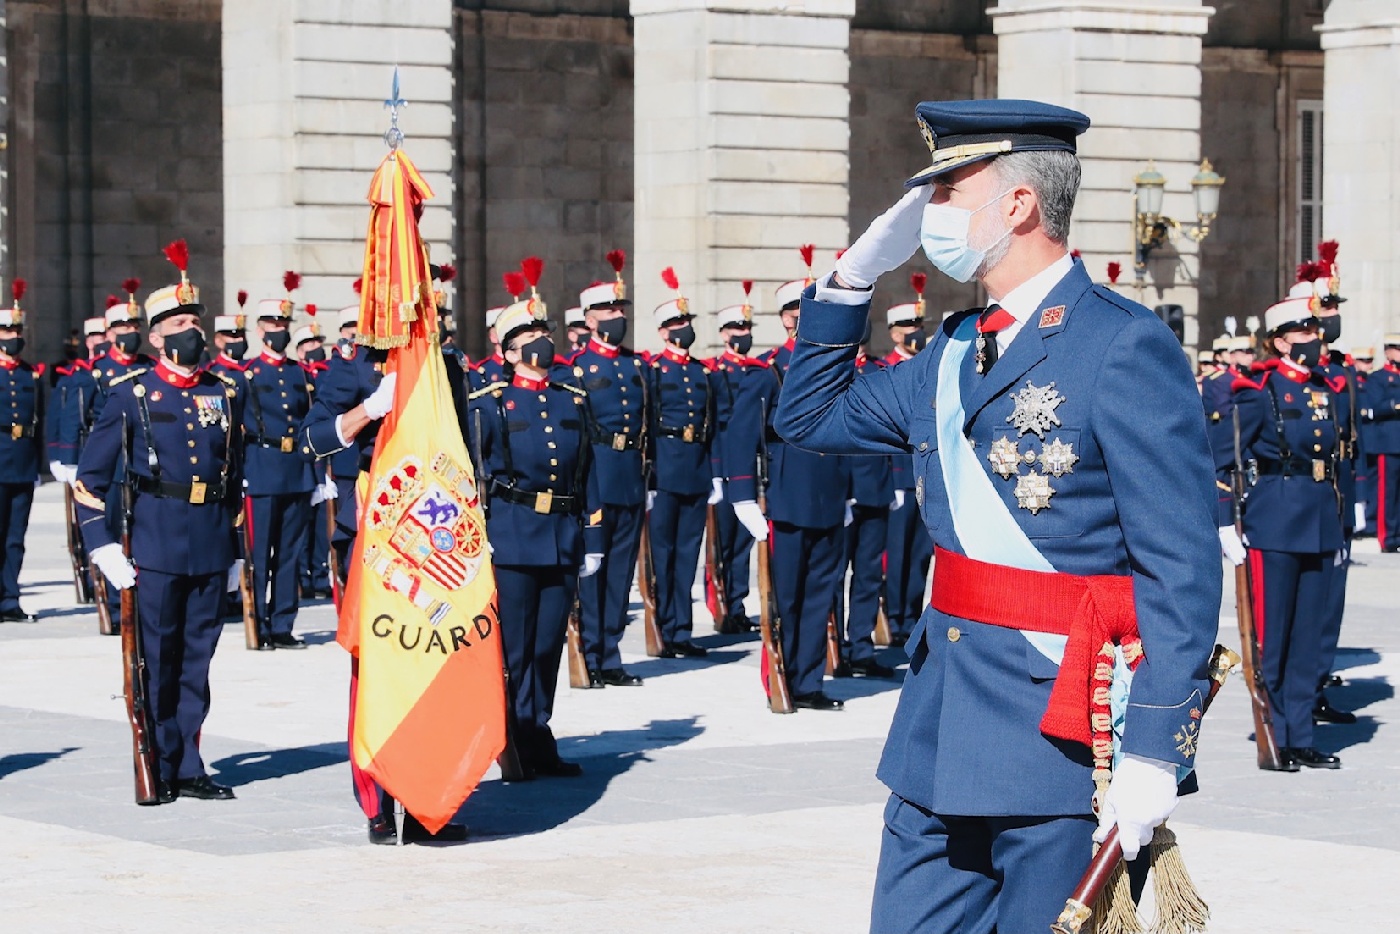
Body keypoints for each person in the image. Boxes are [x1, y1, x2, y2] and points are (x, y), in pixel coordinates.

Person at [772, 99, 1218, 930]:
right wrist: (849, 279)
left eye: (946, 191)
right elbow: (808, 417)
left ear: (1017, 204)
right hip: (938, 732)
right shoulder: (949, 348)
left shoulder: (1121, 344)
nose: (926, 215)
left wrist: (1157, 747)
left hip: (1055, 736)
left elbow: (1181, 567)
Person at [75, 245, 243, 802]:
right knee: (158, 658)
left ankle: (190, 762)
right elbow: (90, 479)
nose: (190, 331)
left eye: (194, 321)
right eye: (177, 323)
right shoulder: (130, 395)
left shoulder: (224, 392)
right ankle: (158, 759)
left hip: (210, 543)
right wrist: (101, 547)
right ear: (154, 337)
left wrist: (236, 548)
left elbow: (233, 475)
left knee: (198, 658)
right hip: (155, 542)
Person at [466, 293, 602, 778]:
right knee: (515, 648)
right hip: (514, 537)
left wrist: (594, 536)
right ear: (507, 353)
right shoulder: (490, 404)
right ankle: (513, 734)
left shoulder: (573, 400)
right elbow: (472, 475)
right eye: (527, 339)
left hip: (561, 535)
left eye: (542, 335)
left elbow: (588, 469)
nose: (539, 344)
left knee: (548, 647)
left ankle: (539, 732)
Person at [724, 251, 852, 711]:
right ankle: (779, 675)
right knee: (784, 596)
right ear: (785, 320)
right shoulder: (769, 370)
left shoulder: (838, 364)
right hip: (785, 495)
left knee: (821, 592)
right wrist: (742, 498)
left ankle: (809, 679)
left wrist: (850, 490)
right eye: (798, 314)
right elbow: (742, 436)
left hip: (831, 494)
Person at [1222, 292, 1345, 768]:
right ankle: (1273, 729)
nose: (1314, 340)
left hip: (1318, 519)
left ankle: (1301, 735)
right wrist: (1223, 523)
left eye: (1315, 332)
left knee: (1307, 636)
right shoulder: (1259, 391)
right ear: (1280, 341)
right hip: (1274, 521)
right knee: (1273, 636)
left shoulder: (1322, 387)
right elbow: (1221, 459)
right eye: (1305, 333)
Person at [571, 252, 647, 686]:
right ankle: (588, 651)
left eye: (620, 309)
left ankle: (611, 652)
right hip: (597, 475)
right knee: (593, 570)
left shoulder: (635, 366)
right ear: (591, 318)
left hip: (630, 476)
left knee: (620, 571)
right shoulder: (579, 368)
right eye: (610, 310)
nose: (618, 316)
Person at [242, 275, 316, 649]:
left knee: (289, 555)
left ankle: (283, 623)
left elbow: (309, 424)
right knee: (259, 553)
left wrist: (317, 475)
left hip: (296, 470)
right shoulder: (248, 375)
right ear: (259, 329)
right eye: (272, 325)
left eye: (284, 325)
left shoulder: (299, 373)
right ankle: (257, 621)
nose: (279, 330)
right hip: (261, 468)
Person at [834, 324, 896, 679]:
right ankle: (833, 645)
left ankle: (861, 644)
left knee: (869, 573)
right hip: (838, 489)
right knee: (835, 573)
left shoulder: (879, 372)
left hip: (874, 486)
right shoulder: (832, 372)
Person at [709, 287, 765, 633]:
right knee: (724, 541)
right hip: (726, 467)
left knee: (743, 541)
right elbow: (713, 425)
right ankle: (722, 603)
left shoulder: (757, 371)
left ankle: (738, 603)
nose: (742, 335)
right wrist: (716, 473)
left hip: (751, 466)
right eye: (736, 329)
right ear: (723, 334)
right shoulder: (714, 373)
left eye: (746, 329)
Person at [881, 278, 932, 647]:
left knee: (920, 554)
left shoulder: (931, 367)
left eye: (919, 327)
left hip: (926, 477)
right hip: (898, 478)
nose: (916, 333)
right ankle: (893, 617)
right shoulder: (885, 369)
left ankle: (911, 615)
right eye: (909, 328)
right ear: (895, 333)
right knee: (895, 553)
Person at [0, 280, 44, 622]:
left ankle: (10, 599)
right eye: (7, 330)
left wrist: (41, 465)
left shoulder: (31, 374)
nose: (14, 336)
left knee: (16, 537)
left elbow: (38, 420)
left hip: (23, 462)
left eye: (17, 330)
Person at [293, 309, 333, 601]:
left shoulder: (329, 374)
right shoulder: (298, 375)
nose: (315, 348)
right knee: (302, 523)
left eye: (318, 342)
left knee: (322, 525)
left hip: (326, 457)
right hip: (300, 456)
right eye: (308, 344)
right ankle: (303, 575)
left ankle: (320, 574)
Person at [1362, 334, 1400, 551]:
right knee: (1388, 492)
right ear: (1388, 352)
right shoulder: (1378, 378)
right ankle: (1388, 537)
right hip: (1389, 441)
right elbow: (1375, 406)